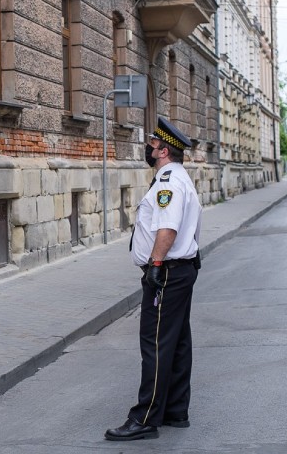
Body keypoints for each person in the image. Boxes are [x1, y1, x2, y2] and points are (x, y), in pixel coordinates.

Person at [105, 116, 202, 442]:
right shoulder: (179, 178)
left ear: (163, 150)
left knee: (156, 344)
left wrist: (156, 266)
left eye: (152, 144)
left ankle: (145, 418)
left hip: (169, 272)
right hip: (182, 270)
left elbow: (168, 228)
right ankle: (175, 410)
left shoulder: (167, 184)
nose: (148, 148)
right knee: (176, 342)